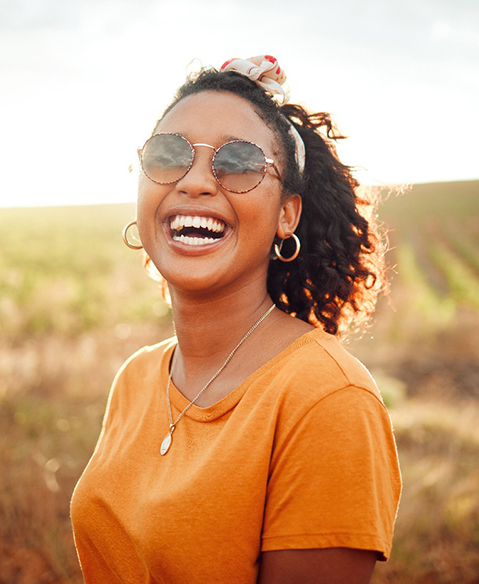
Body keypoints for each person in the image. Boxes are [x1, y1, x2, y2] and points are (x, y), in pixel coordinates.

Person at [71, 55, 401, 583]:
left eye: (240, 162)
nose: (196, 181)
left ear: (286, 213)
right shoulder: (137, 377)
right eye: (168, 154)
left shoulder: (327, 401)